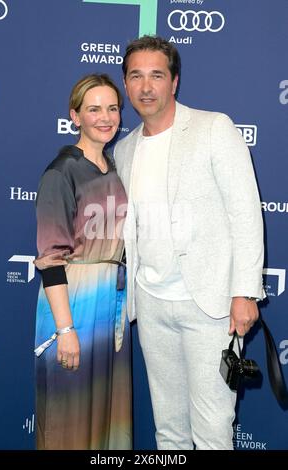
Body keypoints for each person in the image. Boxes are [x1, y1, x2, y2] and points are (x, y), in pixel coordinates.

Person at [113, 36, 265, 450]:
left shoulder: (214, 128)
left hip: (211, 305)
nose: (146, 87)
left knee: (213, 428)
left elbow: (246, 213)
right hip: (151, 304)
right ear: (125, 85)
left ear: (174, 82)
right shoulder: (124, 150)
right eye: (136, 76)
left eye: (156, 76)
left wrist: (244, 292)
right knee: (169, 430)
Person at [34, 74, 131, 450]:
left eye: (112, 108)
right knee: (68, 417)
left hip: (111, 306)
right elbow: (51, 258)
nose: (105, 117)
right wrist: (65, 330)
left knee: (106, 415)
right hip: (72, 305)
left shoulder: (115, 169)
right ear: (75, 116)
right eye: (94, 109)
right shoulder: (61, 172)